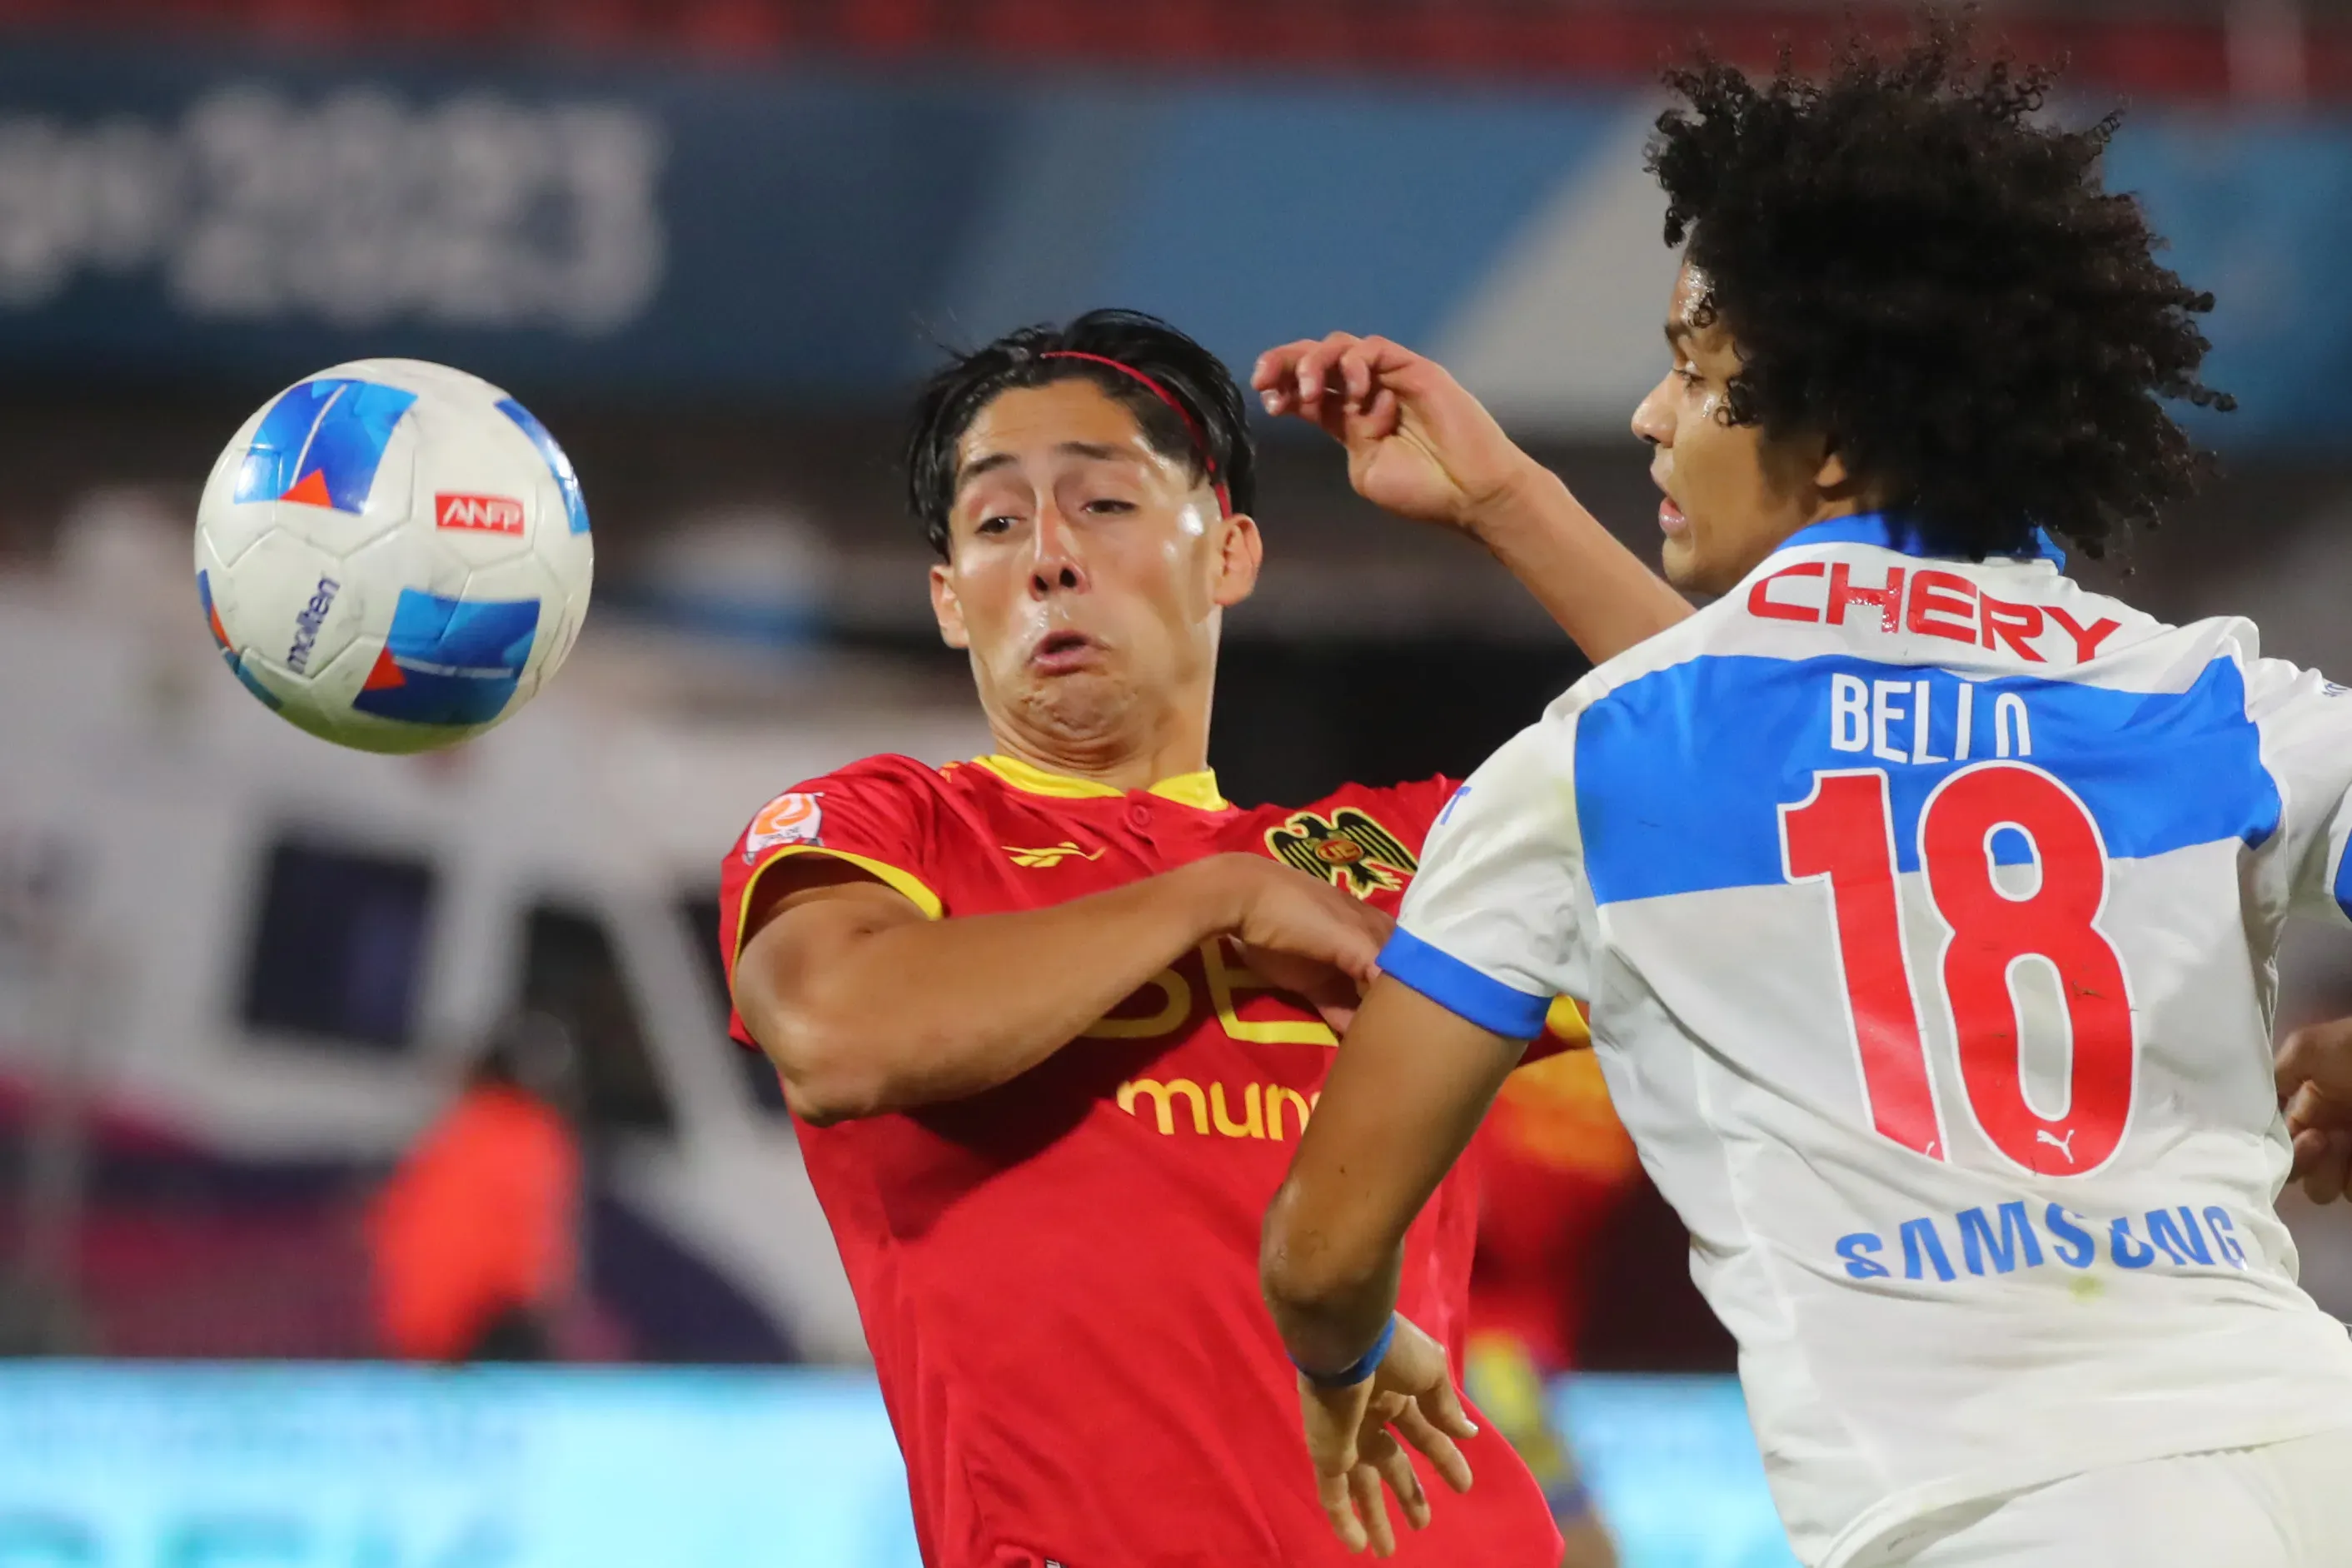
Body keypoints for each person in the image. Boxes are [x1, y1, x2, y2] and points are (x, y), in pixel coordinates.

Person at [1258, 23, 2352, 1568]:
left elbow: (1320, 1249)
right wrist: (1509, 502)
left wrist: (1346, 1362)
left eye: (1695, 374)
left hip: (2002, 1512)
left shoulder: (1590, 766)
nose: (1646, 413)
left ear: (1824, 443)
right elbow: (1826, 728)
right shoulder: (2196, 693)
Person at [719, 308, 1687, 1566]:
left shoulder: (1408, 852)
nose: (1050, 557)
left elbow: (1759, 788)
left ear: (1228, 552)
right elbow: (832, 1032)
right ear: (952, 601)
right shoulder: (894, 832)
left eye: (1103, 505)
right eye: (998, 523)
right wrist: (1208, 902)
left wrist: (1507, 501)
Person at [1463, 1041, 1642, 1567]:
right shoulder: (1620, 1072)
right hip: (1512, 1353)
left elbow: (1499, 1217)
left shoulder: (1491, 1017)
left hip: (1485, 1354)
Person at [369, 1013, 582, 1362]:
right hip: (481, 1326)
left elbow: (398, 1229)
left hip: (421, 1328)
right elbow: (530, 1254)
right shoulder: (531, 1135)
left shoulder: (455, 1130)